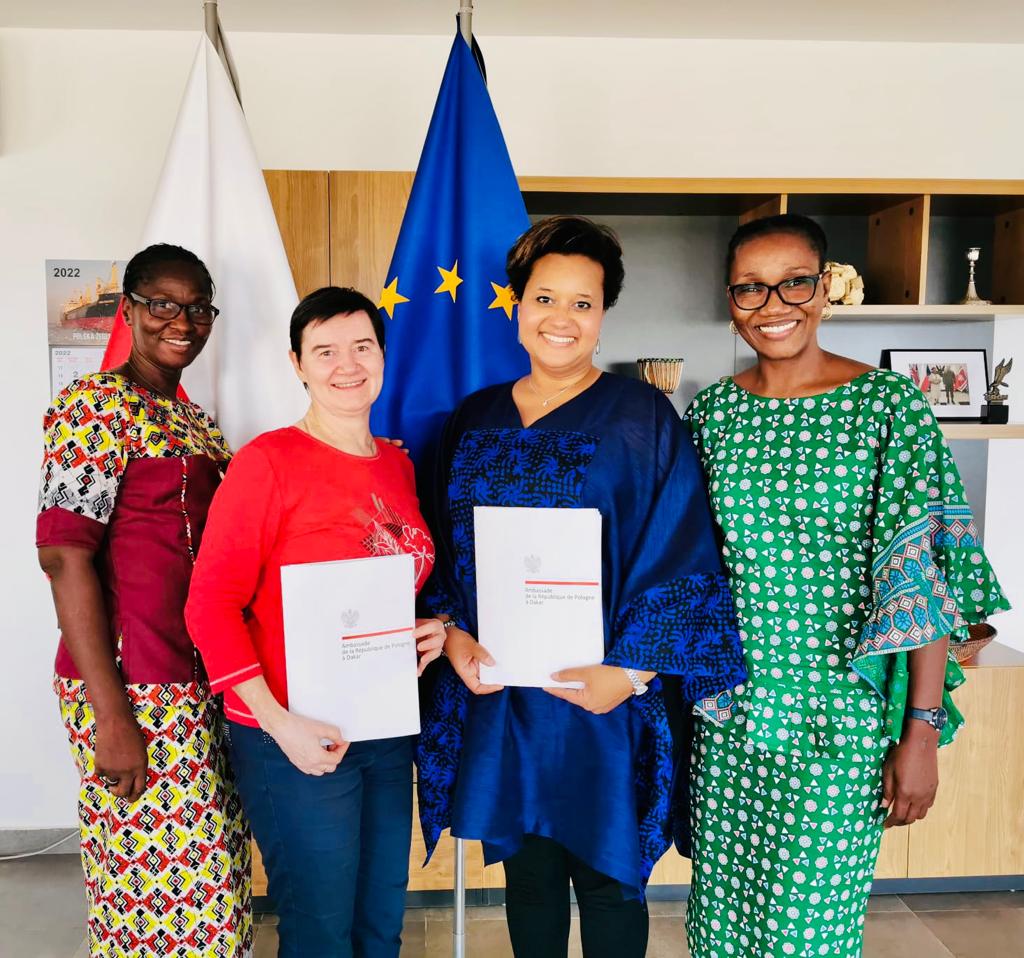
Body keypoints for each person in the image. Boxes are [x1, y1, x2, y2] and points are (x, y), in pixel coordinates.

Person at [415, 215, 746, 958]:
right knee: (528, 879)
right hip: (504, 694)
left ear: (603, 314)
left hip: (603, 696)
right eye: (545, 298)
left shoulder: (642, 417)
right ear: (517, 304)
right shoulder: (474, 417)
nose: (560, 319)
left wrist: (630, 674)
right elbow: (441, 545)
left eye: (582, 303)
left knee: (608, 879)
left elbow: (680, 550)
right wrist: (456, 636)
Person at [684, 213, 1009, 958]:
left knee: (809, 931)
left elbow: (922, 581)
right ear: (730, 299)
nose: (773, 305)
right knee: (722, 924)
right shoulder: (713, 413)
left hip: (842, 718)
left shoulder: (888, 407)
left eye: (794, 282)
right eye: (751, 288)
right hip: (731, 714)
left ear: (825, 289)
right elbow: (688, 561)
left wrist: (919, 732)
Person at [185, 286, 446, 958]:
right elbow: (209, 604)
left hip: (384, 728)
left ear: (383, 355)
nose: (346, 364)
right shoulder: (267, 463)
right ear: (297, 364)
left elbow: (392, 579)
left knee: (380, 922)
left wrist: (432, 628)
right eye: (325, 351)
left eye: (362, 346)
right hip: (294, 736)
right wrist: (279, 724)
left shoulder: (397, 464)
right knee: (320, 930)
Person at [36, 244, 252, 957]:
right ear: (127, 310)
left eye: (197, 308)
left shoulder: (195, 421)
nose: (181, 322)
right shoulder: (92, 407)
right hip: (132, 685)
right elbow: (64, 556)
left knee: (215, 886)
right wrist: (111, 716)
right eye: (162, 304)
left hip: (199, 679)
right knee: (154, 898)